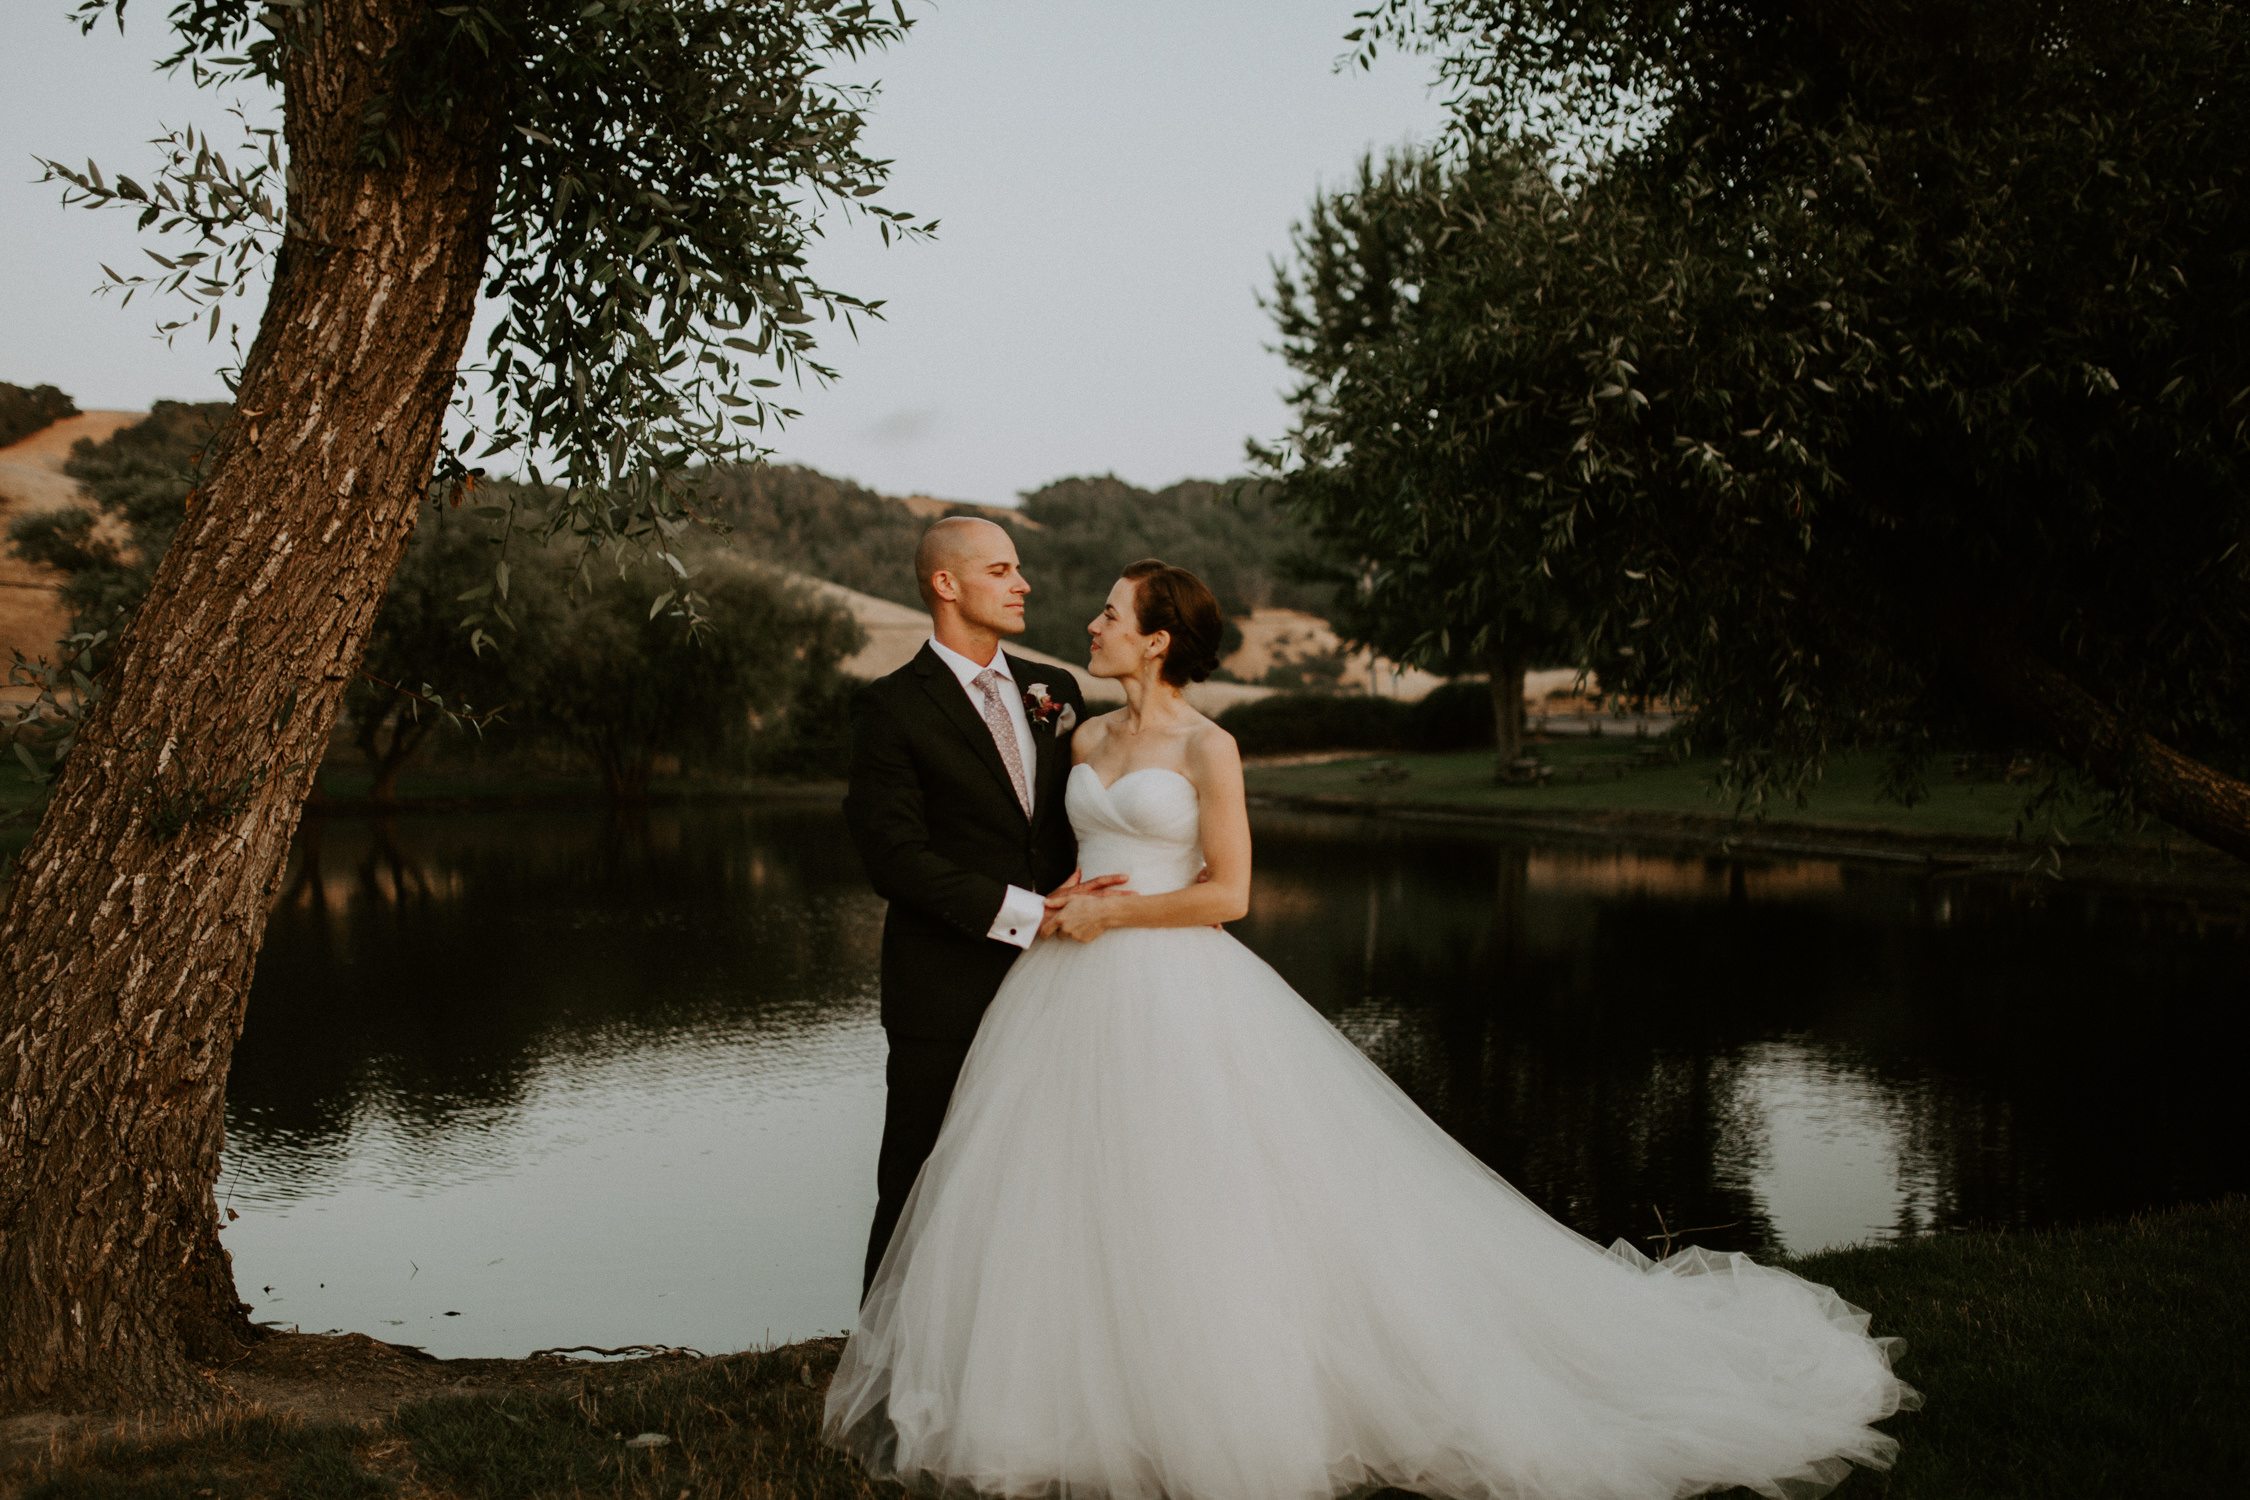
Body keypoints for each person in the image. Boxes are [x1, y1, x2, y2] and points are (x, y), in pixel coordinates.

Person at [826, 558, 1919, 1500]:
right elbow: (1063, 853)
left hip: (1172, 976)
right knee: (1067, 1190)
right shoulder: (1083, 729)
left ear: (1159, 640)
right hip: (1067, 990)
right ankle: (1059, 1381)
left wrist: (1118, 911)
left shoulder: (1210, 749)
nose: (1093, 623)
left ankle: (1227, 1387)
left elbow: (1229, 895)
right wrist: (1067, 901)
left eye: (1114, 613)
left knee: (1204, 1190)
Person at [842, 516, 1107, 1299]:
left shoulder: (1054, 692)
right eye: (1001, 570)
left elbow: (1082, 816)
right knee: (919, 1176)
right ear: (946, 584)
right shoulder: (889, 708)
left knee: (1050, 1176)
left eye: (1019, 567)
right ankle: (885, 1360)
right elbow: (894, 860)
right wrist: (1032, 913)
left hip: (1064, 982)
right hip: (944, 985)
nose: (1023, 583)